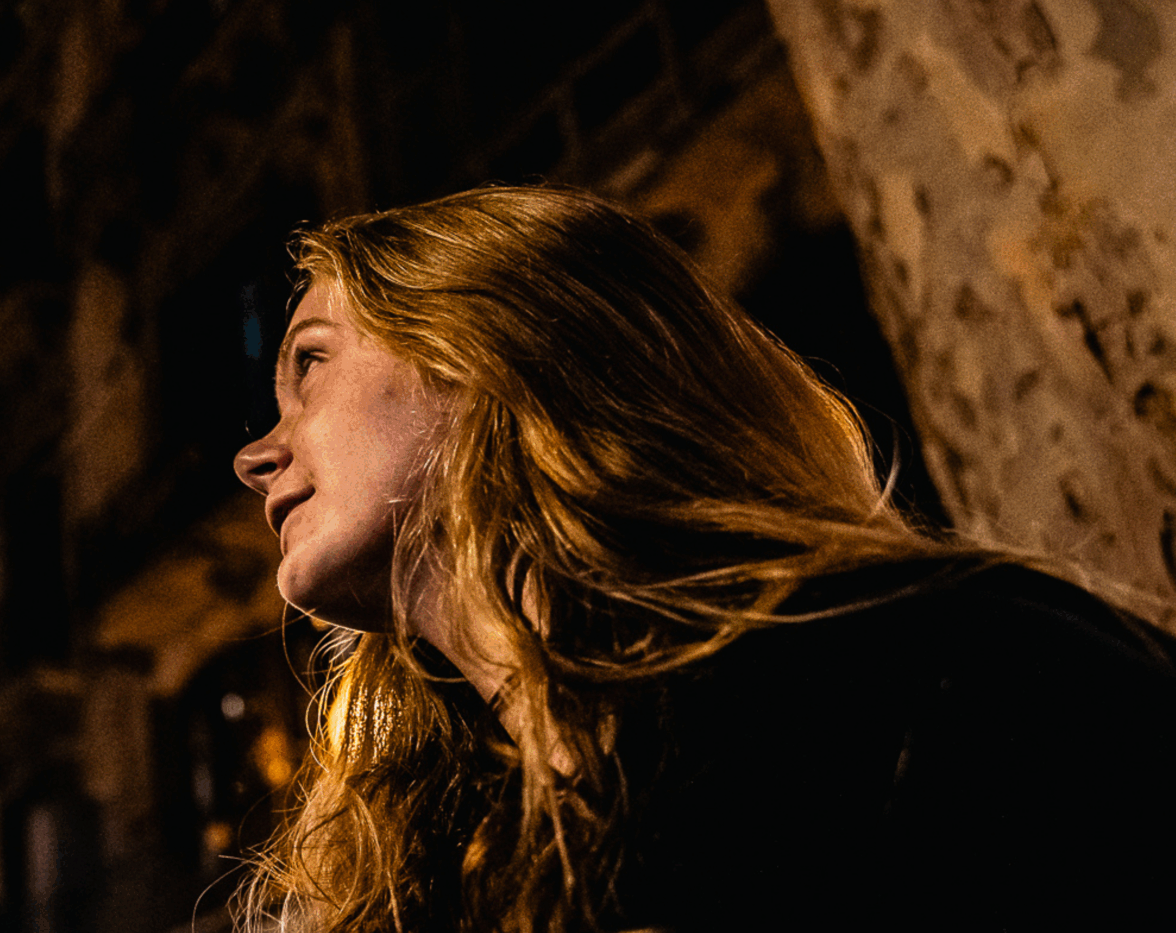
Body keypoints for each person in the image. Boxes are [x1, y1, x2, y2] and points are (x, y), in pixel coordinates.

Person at [227, 185, 1176, 932]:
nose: (254, 455)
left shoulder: (948, 670)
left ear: (486, 349)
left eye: (308, 365)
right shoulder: (436, 867)